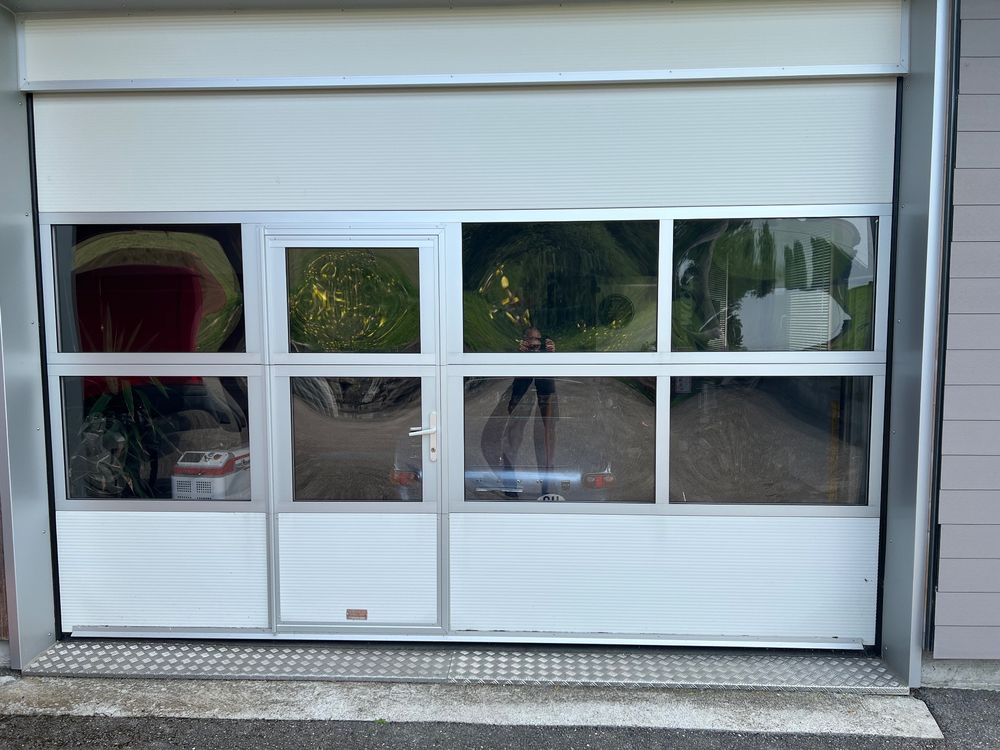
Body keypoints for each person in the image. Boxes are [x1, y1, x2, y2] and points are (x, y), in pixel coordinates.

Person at [480, 327, 558, 498]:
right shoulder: (518, 353)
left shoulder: (549, 353)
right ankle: (510, 481)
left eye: (539, 340)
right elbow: (504, 368)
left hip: (546, 391)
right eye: (531, 340)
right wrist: (518, 354)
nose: (535, 344)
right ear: (524, 341)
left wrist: (553, 355)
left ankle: (548, 484)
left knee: (546, 437)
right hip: (521, 390)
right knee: (513, 433)